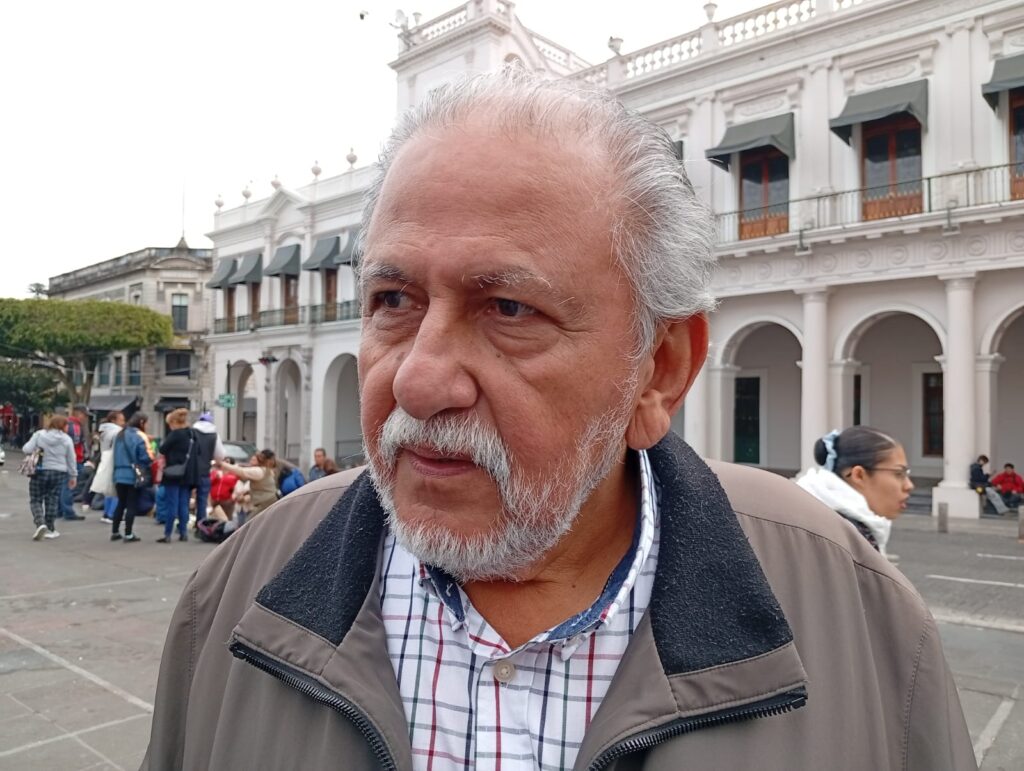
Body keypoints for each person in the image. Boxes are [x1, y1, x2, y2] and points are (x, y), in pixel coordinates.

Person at [143, 71, 974, 770]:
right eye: (393, 299)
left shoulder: (859, 616)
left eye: (509, 308)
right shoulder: (239, 587)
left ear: (659, 370)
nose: (419, 380)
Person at [795, 427, 913, 554]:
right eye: (899, 473)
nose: (909, 486)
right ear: (859, 475)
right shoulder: (841, 539)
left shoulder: (818, 518)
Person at [22, 415, 78, 541]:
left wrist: (38, 449)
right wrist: (73, 475)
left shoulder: (39, 435)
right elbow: (71, 458)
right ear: (62, 426)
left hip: (40, 470)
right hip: (59, 472)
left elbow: (26, 449)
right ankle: (50, 528)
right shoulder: (67, 439)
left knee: (36, 499)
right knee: (52, 499)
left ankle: (40, 522)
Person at [157, 408, 201, 543]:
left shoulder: (175, 434)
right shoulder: (192, 434)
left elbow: (162, 449)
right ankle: (183, 533)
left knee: (172, 504)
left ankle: (168, 533)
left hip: (173, 473)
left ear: (174, 422)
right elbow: (198, 452)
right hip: (188, 474)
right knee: (183, 504)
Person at [111, 412, 153, 543]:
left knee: (121, 503)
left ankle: (115, 531)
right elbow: (145, 457)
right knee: (131, 504)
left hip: (118, 474)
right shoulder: (139, 436)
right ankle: (128, 533)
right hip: (133, 475)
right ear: (141, 422)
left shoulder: (120, 434)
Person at [223, 450, 278, 522]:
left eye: (255, 459)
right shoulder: (264, 470)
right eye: (252, 459)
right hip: (252, 505)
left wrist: (221, 464)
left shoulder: (260, 471)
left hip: (260, 504)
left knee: (250, 524)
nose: (253, 461)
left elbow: (241, 471)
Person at [192, 410, 226, 520]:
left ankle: (183, 524)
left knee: (185, 497)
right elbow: (220, 455)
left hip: (190, 471)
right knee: (202, 499)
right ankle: (200, 522)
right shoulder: (214, 435)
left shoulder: (192, 432)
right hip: (204, 471)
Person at [92, 411, 125, 523]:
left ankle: (106, 513)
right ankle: (113, 514)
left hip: (105, 459)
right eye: (121, 420)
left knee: (108, 489)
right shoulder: (117, 432)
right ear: (113, 420)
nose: (123, 422)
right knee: (116, 489)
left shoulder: (104, 431)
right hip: (114, 460)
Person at [58, 405, 89, 520]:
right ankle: (68, 511)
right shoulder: (75, 426)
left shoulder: (65, 424)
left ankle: (59, 510)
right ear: (78, 413)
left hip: (64, 459)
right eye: (85, 415)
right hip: (74, 459)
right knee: (70, 485)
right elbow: (75, 443)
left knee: (62, 486)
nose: (85, 418)